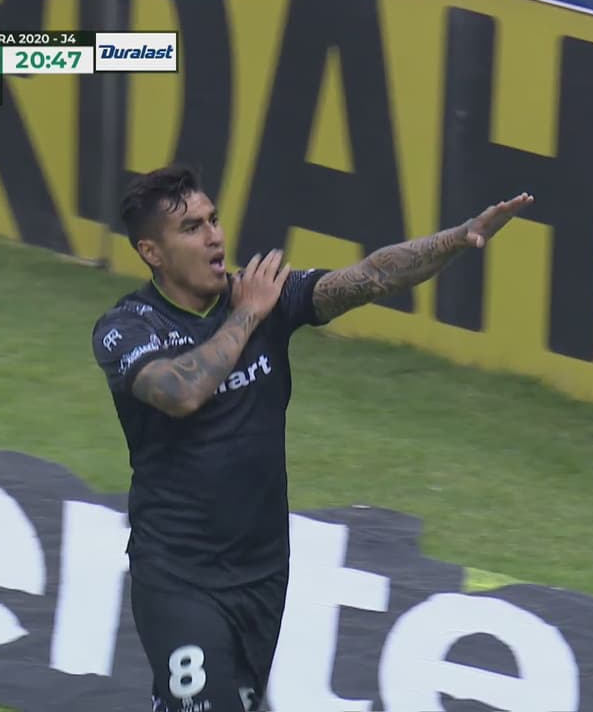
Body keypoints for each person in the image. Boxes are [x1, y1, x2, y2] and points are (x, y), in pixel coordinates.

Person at [91, 165, 533, 712]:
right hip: (178, 575)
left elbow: (371, 276)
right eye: (191, 228)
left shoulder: (265, 298)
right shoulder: (129, 327)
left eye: (213, 220)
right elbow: (181, 392)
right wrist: (247, 315)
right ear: (151, 252)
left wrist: (458, 238)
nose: (214, 237)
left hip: (262, 574)